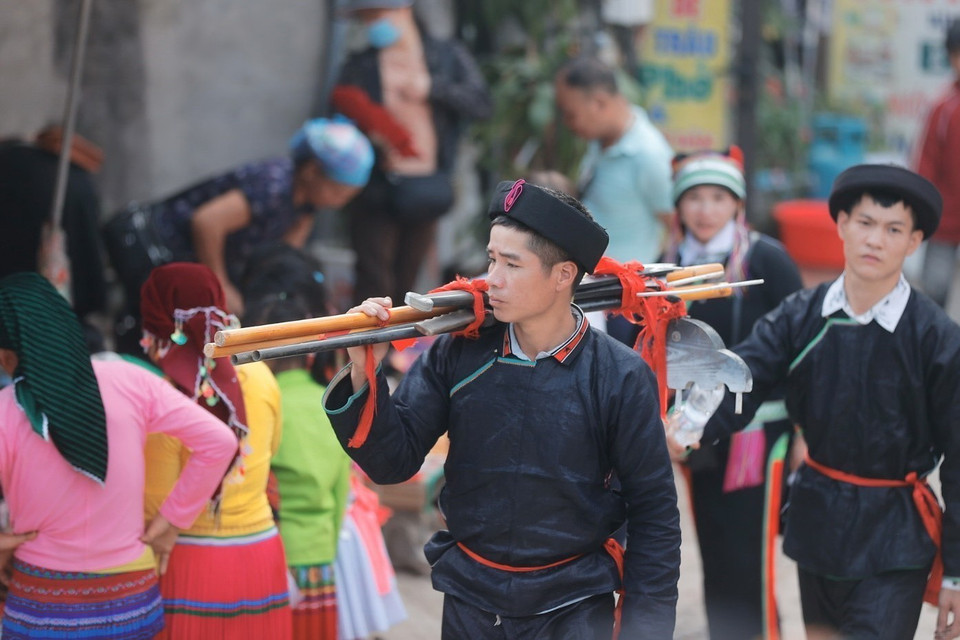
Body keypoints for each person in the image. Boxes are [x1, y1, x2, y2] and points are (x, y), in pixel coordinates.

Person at [322, 179, 681, 638]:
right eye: (492, 259)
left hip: (572, 604)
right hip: (471, 599)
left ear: (563, 275)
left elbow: (655, 515)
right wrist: (363, 371)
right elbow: (393, 462)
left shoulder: (619, 377)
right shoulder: (457, 353)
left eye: (512, 264)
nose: (491, 279)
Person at [693, 164, 960, 639]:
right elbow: (743, 372)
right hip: (818, 522)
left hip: (895, 537)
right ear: (840, 225)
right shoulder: (802, 315)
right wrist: (689, 425)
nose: (875, 240)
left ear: (915, 241)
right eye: (864, 223)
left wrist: (956, 572)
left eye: (893, 228)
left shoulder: (936, 338)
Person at [0, 271, 237, 638]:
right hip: (130, 600)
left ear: (6, 355)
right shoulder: (129, 380)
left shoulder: (5, 409)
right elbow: (220, 441)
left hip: (41, 602)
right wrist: (170, 522)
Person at [662, 148, 802, 639]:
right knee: (713, 544)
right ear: (679, 206)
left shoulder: (765, 258)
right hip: (693, 430)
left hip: (758, 430)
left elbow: (799, 345)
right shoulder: (670, 265)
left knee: (748, 549)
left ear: (737, 203)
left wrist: (806, 429)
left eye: (717, 197)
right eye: (694, 198)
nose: (705, 209)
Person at [103, 117, 373, 352]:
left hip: (180, 260)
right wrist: (222, 284)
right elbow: (207, 222)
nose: (339, 203)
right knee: (146, 326)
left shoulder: (305, 207)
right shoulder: (273, 186)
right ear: (312, 171)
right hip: (149, 242)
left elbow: (280, 258)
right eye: (338, 193)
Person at [140, 262, 292, 639]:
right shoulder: (260, 373)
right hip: (259, 555)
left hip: (187, 563)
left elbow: (158, 505)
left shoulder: (163, 391)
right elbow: (269, 450)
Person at [332, 0, 492, 304]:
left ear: (403, 10)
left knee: (408, 279)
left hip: (426, 184)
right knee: (372, 279)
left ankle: (395, 348)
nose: (371, 24)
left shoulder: (446, 56)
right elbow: (338, 119)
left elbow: (482, 103)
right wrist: (373, 137)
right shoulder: (361, 65)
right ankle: (367, 348)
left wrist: (432, 88)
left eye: (376, 15)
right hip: (377, 185)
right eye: (366, 19)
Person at [249, 295, 353, 640]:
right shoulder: (331, 405)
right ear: (310, 354)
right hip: (319, 559)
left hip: (267, 556)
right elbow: (341, 493)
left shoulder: (259, 402)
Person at [554, 56, 674, 345]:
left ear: (598, 103)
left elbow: (676, 225)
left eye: (571, 114)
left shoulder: (648, 155)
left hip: (622, 302)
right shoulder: (600, 141)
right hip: (589, 288)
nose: (569, 124)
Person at [915, 18, 960, 308]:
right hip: (945, 221)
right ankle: (935, 352)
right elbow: (926, 166)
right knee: (933, 293)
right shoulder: (944, 109)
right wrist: (920, 212)